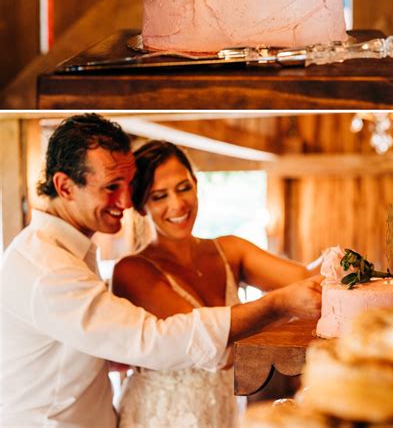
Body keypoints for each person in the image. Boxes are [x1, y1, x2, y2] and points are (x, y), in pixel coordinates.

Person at [0, 114, 322, 428]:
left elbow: (94, 343)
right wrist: (277, 305)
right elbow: (152, 340)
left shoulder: (74, 252)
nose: (125, 202)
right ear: (65, 187)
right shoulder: (47, 267)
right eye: (112, 186)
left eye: (128, 185)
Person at [112, 140, 323, 428]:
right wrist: (282, 306)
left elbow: (303, 278)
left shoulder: (230, 250)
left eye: (183, 187)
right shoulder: (132, 270)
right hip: (160, 416)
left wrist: (344, 266)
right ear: (140, 206)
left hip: (222, 409)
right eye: (159, 196)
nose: (177, 204)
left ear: (196, 184)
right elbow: (214, 351)